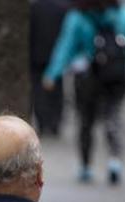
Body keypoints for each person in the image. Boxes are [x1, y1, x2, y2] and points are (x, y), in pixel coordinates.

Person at [42, 0, 125, 185]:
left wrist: (52, 73)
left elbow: (66, 46)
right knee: (114, 116)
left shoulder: (78, 16)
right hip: (117, 76)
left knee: (85, 121)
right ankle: (115, 160)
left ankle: (86, 165)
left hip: (87, 78)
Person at [31, 0, 72, 137]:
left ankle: (43, 122)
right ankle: (54, 122)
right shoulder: (63, 8)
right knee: (57, 91)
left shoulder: (34, 8)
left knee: (38, 92)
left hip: (36, 56)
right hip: (56, 56)